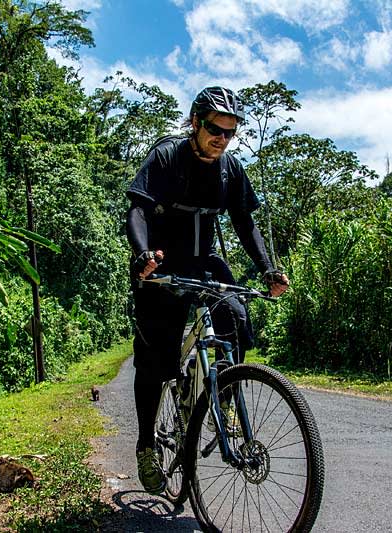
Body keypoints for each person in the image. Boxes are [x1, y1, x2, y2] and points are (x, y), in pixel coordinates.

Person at [125, 86, 290, 494]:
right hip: (161, 265)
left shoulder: (230, 170)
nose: (223, 139)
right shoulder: (167, 158)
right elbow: (138, 209)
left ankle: (225, 400)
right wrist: (143, 254)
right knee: (156, 360)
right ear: (196, 123)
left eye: (231, 133)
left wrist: (268, 268)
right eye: (216, 129)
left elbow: (245, 224)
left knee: (235, 316)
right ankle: (147, 445)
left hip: (204, 263)